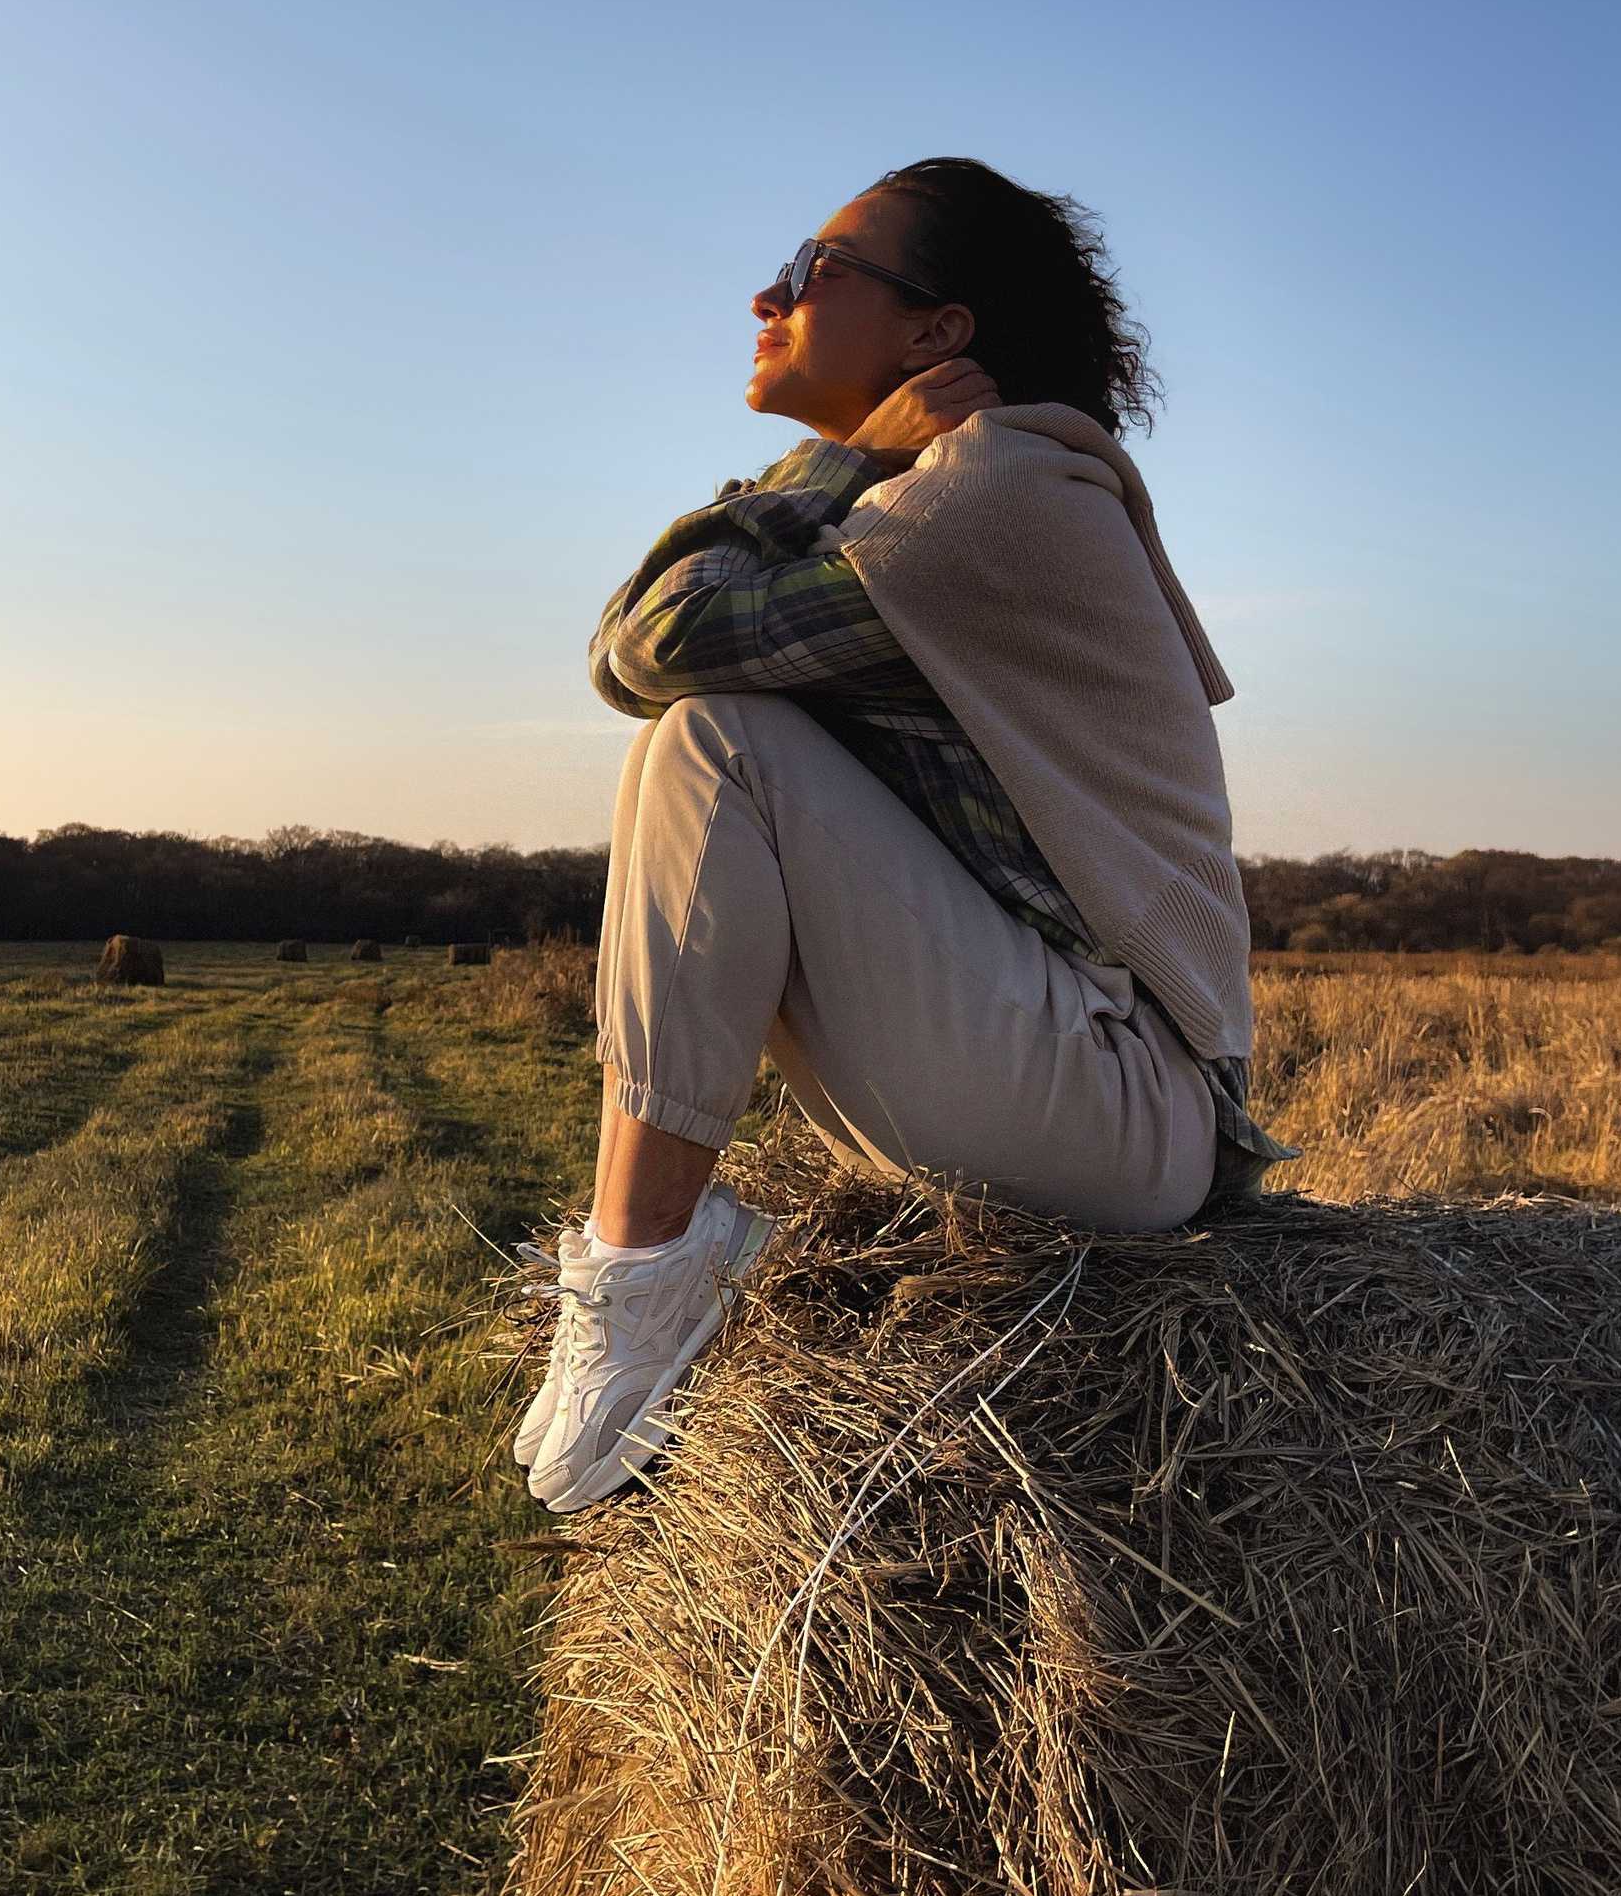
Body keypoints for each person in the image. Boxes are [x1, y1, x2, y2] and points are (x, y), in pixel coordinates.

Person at [518, 157, 1292, 1513]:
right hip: (1072, 1083)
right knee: (717, 739)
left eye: (817, 268)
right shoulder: (939, 501)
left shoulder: (986, 491)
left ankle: (645, 1272)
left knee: (711, 740)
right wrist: (853, 464)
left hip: (1119, 1100)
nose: (769, 291)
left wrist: (837, 458)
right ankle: (654, 1259)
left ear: (939, 334)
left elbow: (655, 642)